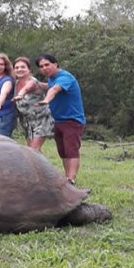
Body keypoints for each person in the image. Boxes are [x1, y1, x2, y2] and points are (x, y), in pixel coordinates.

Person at [35, 54, 86, 185]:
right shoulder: (52, 78)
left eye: (47, 65)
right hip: (58, 120)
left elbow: (55, 89)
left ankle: (71, 179)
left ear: (56, 64)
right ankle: (67, 178)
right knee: (63, 152)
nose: (45, 68)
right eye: (41, 66)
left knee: (71, 150)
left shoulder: (64, 77)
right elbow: (48, 85)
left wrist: (46, 99)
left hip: (72, 120)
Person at [11, 56, 54, 152]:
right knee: (31, 150)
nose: (19, 69)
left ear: (29, 69)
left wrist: (20, 95)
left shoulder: (32, 82)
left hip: (41, 120)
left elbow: (26, 89)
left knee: (33, 150)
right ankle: (40, 167)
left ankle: (41, 167)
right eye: (17, 68)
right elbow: (48, 86)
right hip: (27, 122)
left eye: (23, 67)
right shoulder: (15, 83)